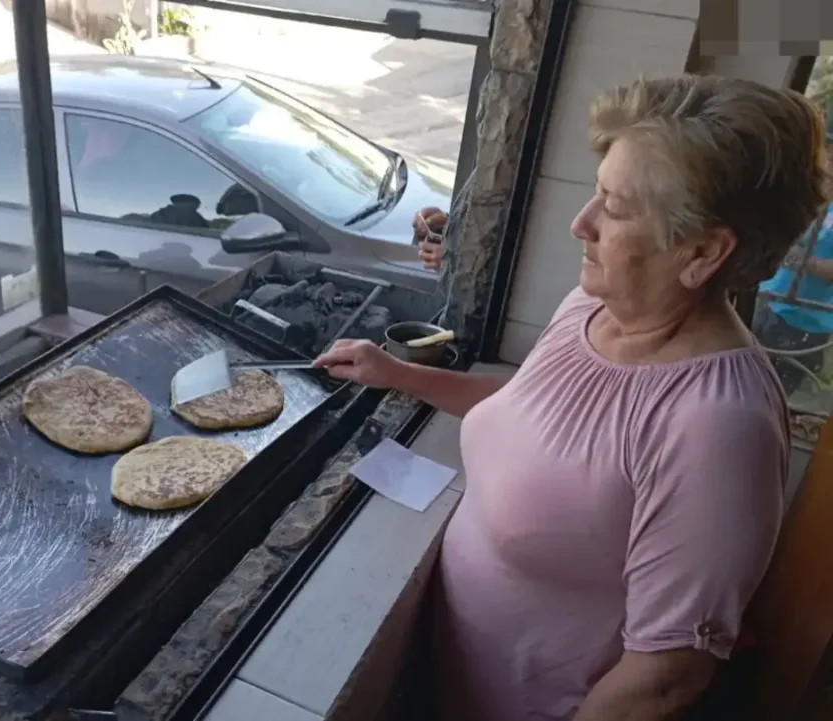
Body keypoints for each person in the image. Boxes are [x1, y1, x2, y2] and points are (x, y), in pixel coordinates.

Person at [315, 74, 826, 721]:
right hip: (456, 680)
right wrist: (396, 372)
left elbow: (665, 676)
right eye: (596, 191)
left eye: (613, 208)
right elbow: (536, 417)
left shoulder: (720, 425)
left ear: (702, 251)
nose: (579, 223)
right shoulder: (589, 305)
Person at [753, 133, 833, 397]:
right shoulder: (810, 191)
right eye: (828, 149)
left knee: (767, 400)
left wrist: (795, 256)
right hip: (766, 299)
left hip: (803, 323)